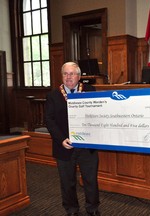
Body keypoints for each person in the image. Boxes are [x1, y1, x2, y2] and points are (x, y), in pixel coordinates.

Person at [45, 62, 100, 216]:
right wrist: (61, 139)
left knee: (90, 180)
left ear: (79, 76)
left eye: (72, 73)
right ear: (62, 76)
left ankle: (93, 208)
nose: (68, 77)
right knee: (67, 182)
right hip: (64, 145)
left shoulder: (90, 91)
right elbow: (49, 121)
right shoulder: (53, 95)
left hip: (87, 146)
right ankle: (71, 209)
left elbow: (97, 116)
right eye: (65, 74)